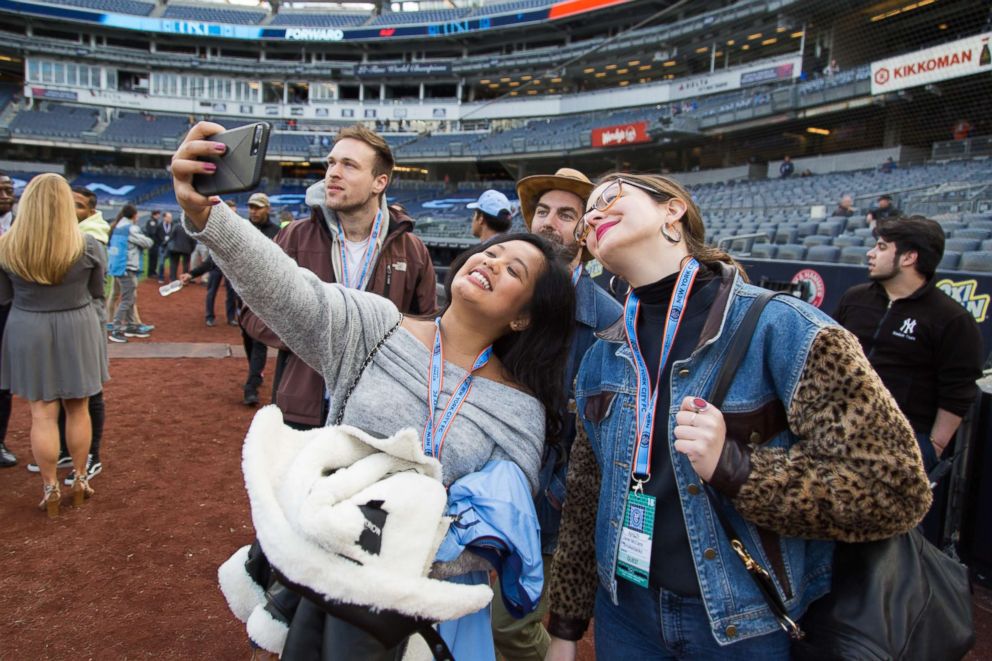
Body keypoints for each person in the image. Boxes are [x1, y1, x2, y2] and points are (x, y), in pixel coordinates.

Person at [171, 120, 575, 658]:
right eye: (493, 253)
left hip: (426, 617)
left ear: (524, 318)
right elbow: (292, 292)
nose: (491, 262)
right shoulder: (376, 327)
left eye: (514, 271)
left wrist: (411, 543)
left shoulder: (521, 410)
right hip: (324, 583)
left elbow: (494, 539)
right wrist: (206, 214)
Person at [545, 174, 932, 660]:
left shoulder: (787, 327)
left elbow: (895, 488)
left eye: (612, 197)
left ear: (673, 211)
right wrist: (565, 626)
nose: (593, 215)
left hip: (746, 623)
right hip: (627, 612)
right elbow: (586, 497)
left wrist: (739, 470)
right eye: (589, 215)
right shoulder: (605, 351)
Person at [490, 167, 622, 660]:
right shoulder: (502, 297)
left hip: (552, 510)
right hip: (487, 492)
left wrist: (561, 494)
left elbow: (608, 432)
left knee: (512, 629)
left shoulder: (609, 320)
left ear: (586, 233)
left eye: (567, 214)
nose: (549, 222)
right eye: (541, 211)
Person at [239, 124, 438, 427]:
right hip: (302, 408)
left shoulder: (412, 251)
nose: (333, 172)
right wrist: (311, 335)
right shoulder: (294, 238)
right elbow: (251, 311)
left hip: (378, 414)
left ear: (378, 182)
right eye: (331, 163)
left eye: (349, 165)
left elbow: (427, 328)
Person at [834, 216, 984, 543]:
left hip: (899, 447)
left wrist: (932, 449)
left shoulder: (952, 320)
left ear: (909, 257)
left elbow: (957, 393)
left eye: (882, 247)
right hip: (837, 432)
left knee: (883, 548)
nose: (871, 253)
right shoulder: (854, 298)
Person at [0, 173, 109, 516]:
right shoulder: (88, 245)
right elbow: (96, 292)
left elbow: (4, 296)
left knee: (41, 413)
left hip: (27, 325)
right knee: (78, 407)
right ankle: (78, 478)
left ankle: (49, 486)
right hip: (77, 325)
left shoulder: (6, 246)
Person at [233, 192, 281, 405]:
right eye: (251, 207)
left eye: (258, 207)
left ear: (267, 209)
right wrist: (194, 273)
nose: (253, 211)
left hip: (264, 297)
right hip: (241, 295)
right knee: (247, 338)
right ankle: (256, 374)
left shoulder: (278, 233)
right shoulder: (242, 230)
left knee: (259, 340)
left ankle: (251, 386)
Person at [107, 204, 154, 343]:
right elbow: (148, 243)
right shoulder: (131, 228)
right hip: (127, 267)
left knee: (126, 297)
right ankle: (116, 329)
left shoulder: (116, 227)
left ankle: (131, 326)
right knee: (127, 299)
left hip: (117, 266)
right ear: (133, 215)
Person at [0, 171, 16, 468]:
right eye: (0, 189)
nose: (6, 195)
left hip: (8, 310)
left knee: (3, 384)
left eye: (9, 189)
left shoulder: (20, 225)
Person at [166, 211, 195, 281]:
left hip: (176, 248)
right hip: (186, 249)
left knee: (174, 264)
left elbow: (171, 237)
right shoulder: (191, 228)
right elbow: (193, 241)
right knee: (186, 264)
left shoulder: (177, 226)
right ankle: (184, 279)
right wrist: (191, 249)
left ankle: (173, 279)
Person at [143, 209, 162, 278]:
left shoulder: (155, 221)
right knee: (152, 258)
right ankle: (150, 273)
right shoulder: (152, 222)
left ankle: (153, 271)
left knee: (155, 258)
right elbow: (152, 232)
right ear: (154, 215)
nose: (159, 216)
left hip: (155, 242)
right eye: (158, 214)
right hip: (153, 242)